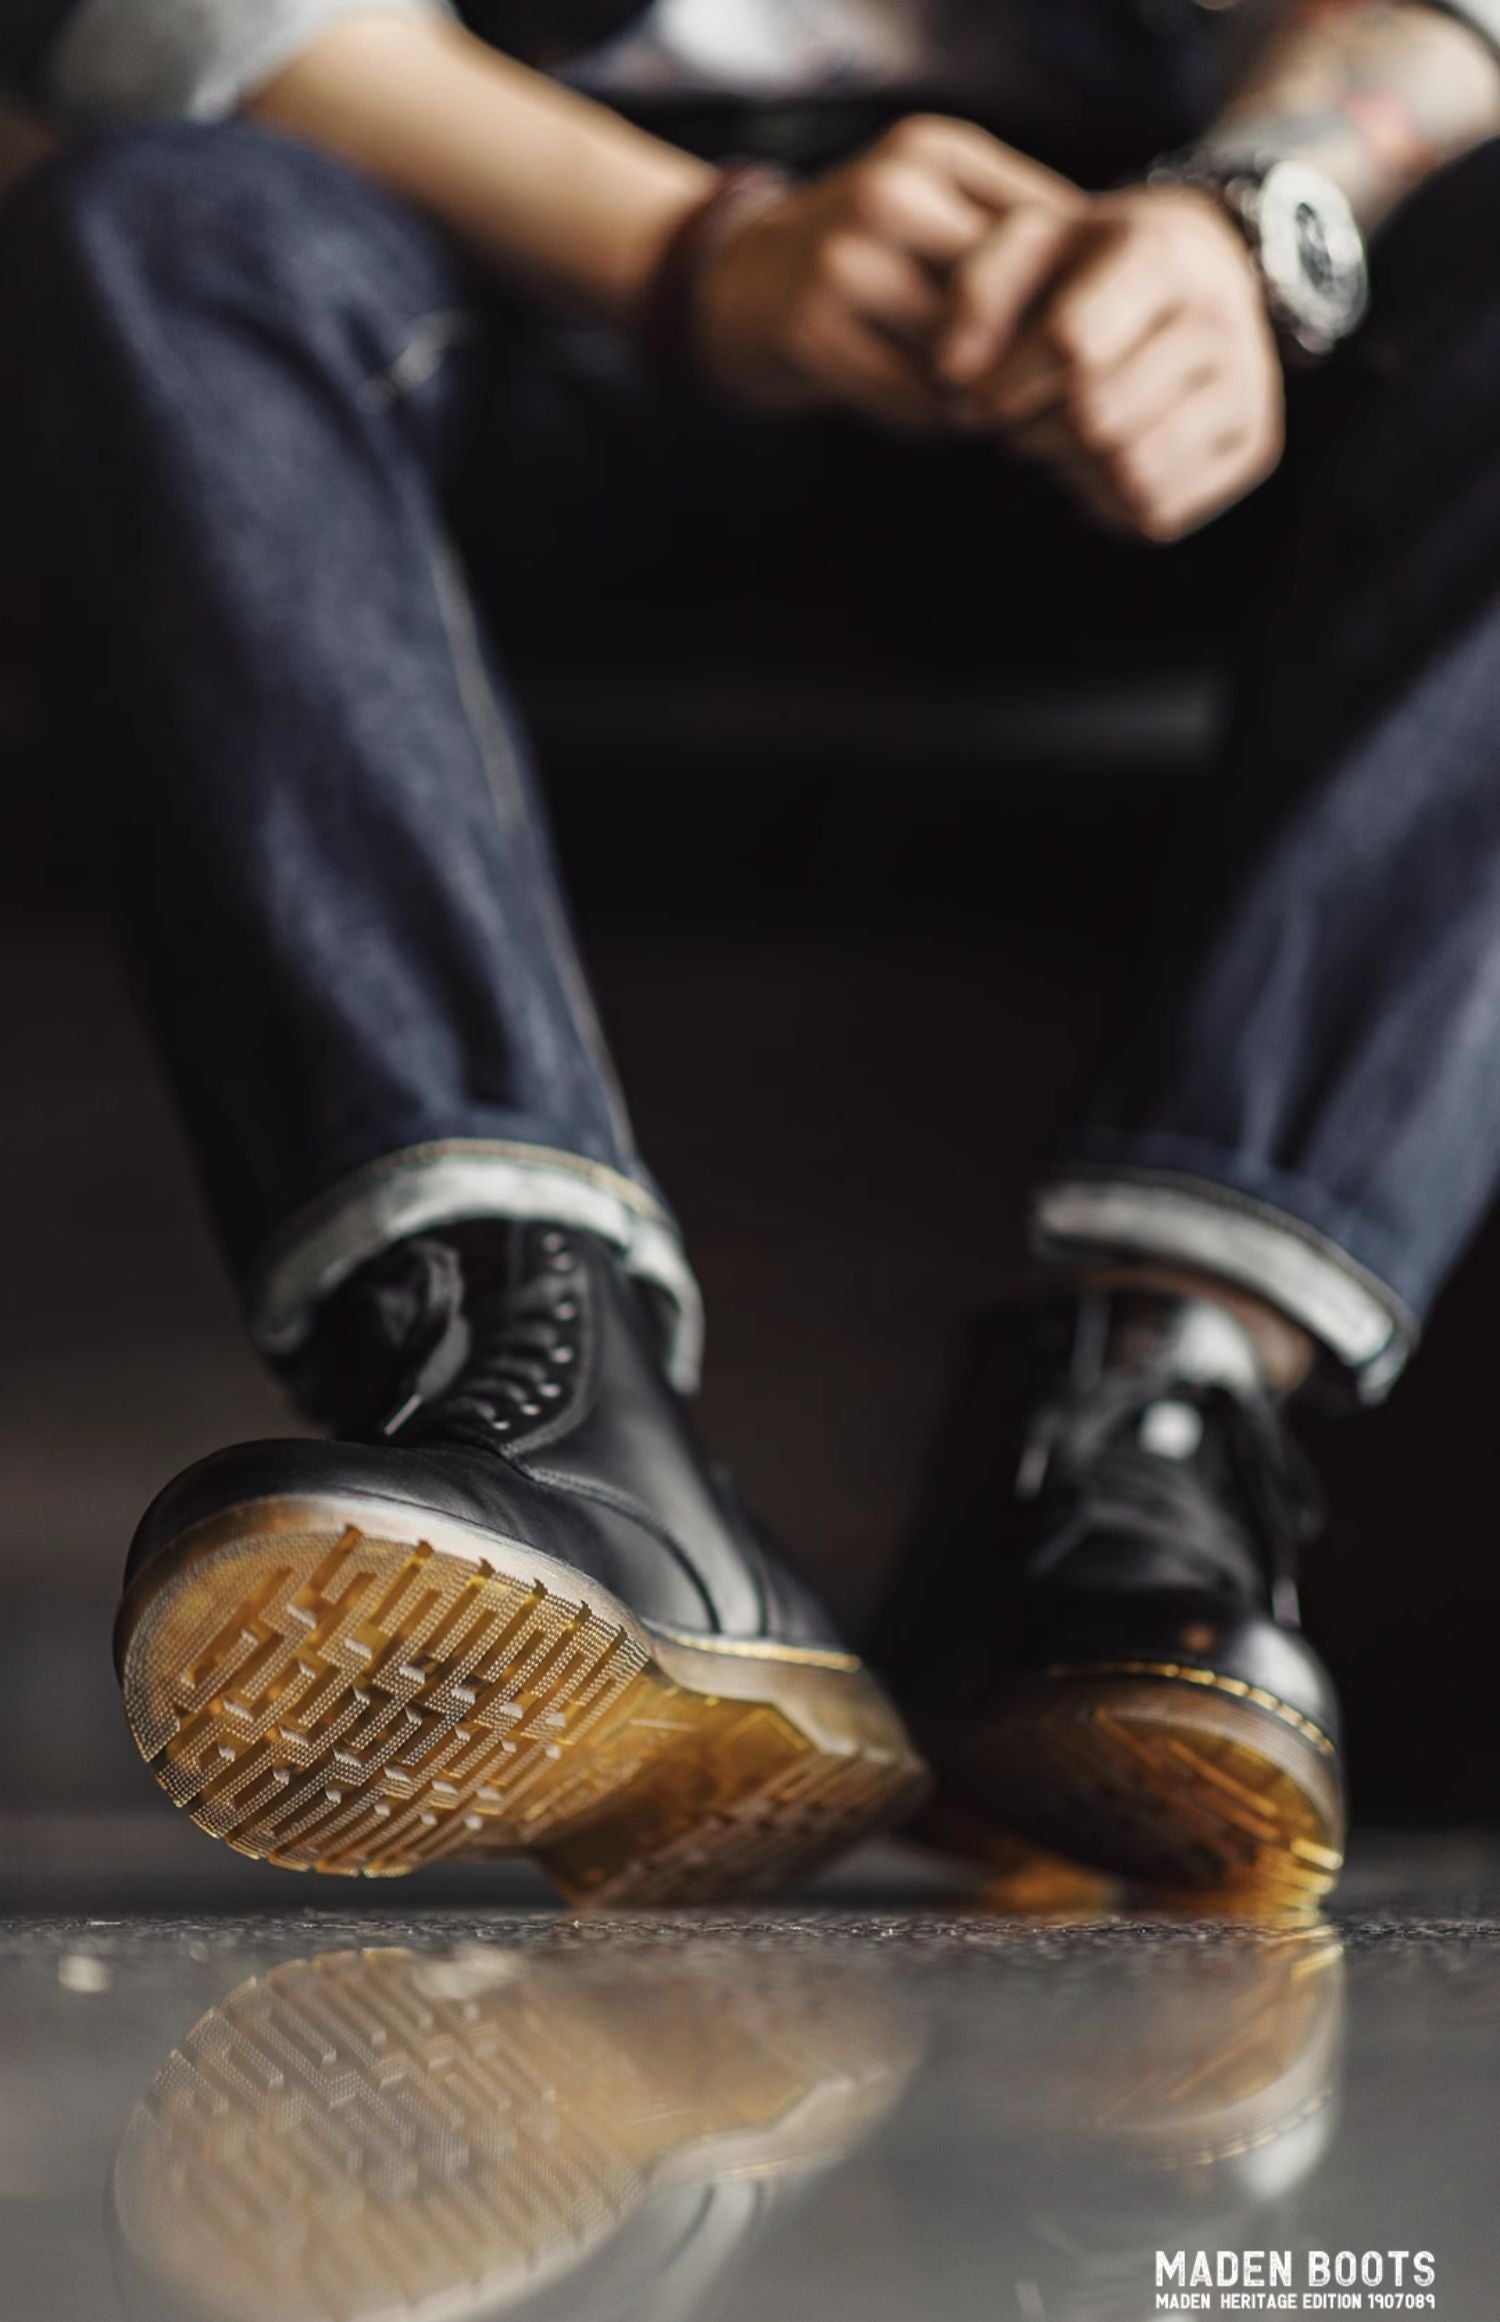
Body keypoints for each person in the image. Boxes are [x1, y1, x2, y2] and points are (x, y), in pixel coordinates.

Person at [1, 0, 1497, 1912]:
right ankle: (536, 1376)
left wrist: (1253, 218)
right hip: (510, 249)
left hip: (1151, 320)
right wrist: (693, 253)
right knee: (156, 221)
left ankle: (1144, 1431)